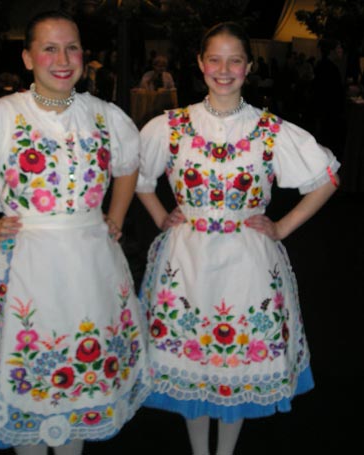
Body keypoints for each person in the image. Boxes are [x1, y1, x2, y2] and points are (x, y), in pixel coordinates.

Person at [0, 10, 151, 454]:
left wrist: (115, 216)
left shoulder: (105, 115)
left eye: (72, 47)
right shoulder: (0, 116)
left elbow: (128, 162)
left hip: (92, 267)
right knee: (31, 384)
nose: (63, 58)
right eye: (49, 48)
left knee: (80, 382)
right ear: (27, 58)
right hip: (27, 268)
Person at [136, 22, 340, 455]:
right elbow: (136, 176)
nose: (224, 69)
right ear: (200, 64)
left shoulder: (270, 130)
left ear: (248, 66)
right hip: (186, 260)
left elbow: (325, 179)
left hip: (247, 262)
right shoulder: (170, 125)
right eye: (215, 59)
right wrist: (161, 216)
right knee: (192, 361)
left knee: (236, 366)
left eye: (235, 60)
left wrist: (282, 228)